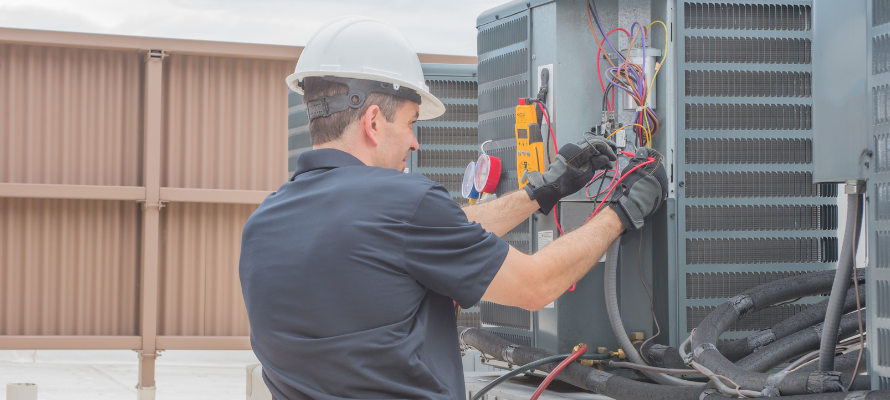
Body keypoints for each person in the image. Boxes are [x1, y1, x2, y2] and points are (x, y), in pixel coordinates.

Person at [239, 16, 667, 400]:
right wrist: (621, 212)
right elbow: (535, 285)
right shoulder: (403, 203)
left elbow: (436, 231)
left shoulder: (263, 224)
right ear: (372, 122)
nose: (415, 142)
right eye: (410, 123)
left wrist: (543, 191)